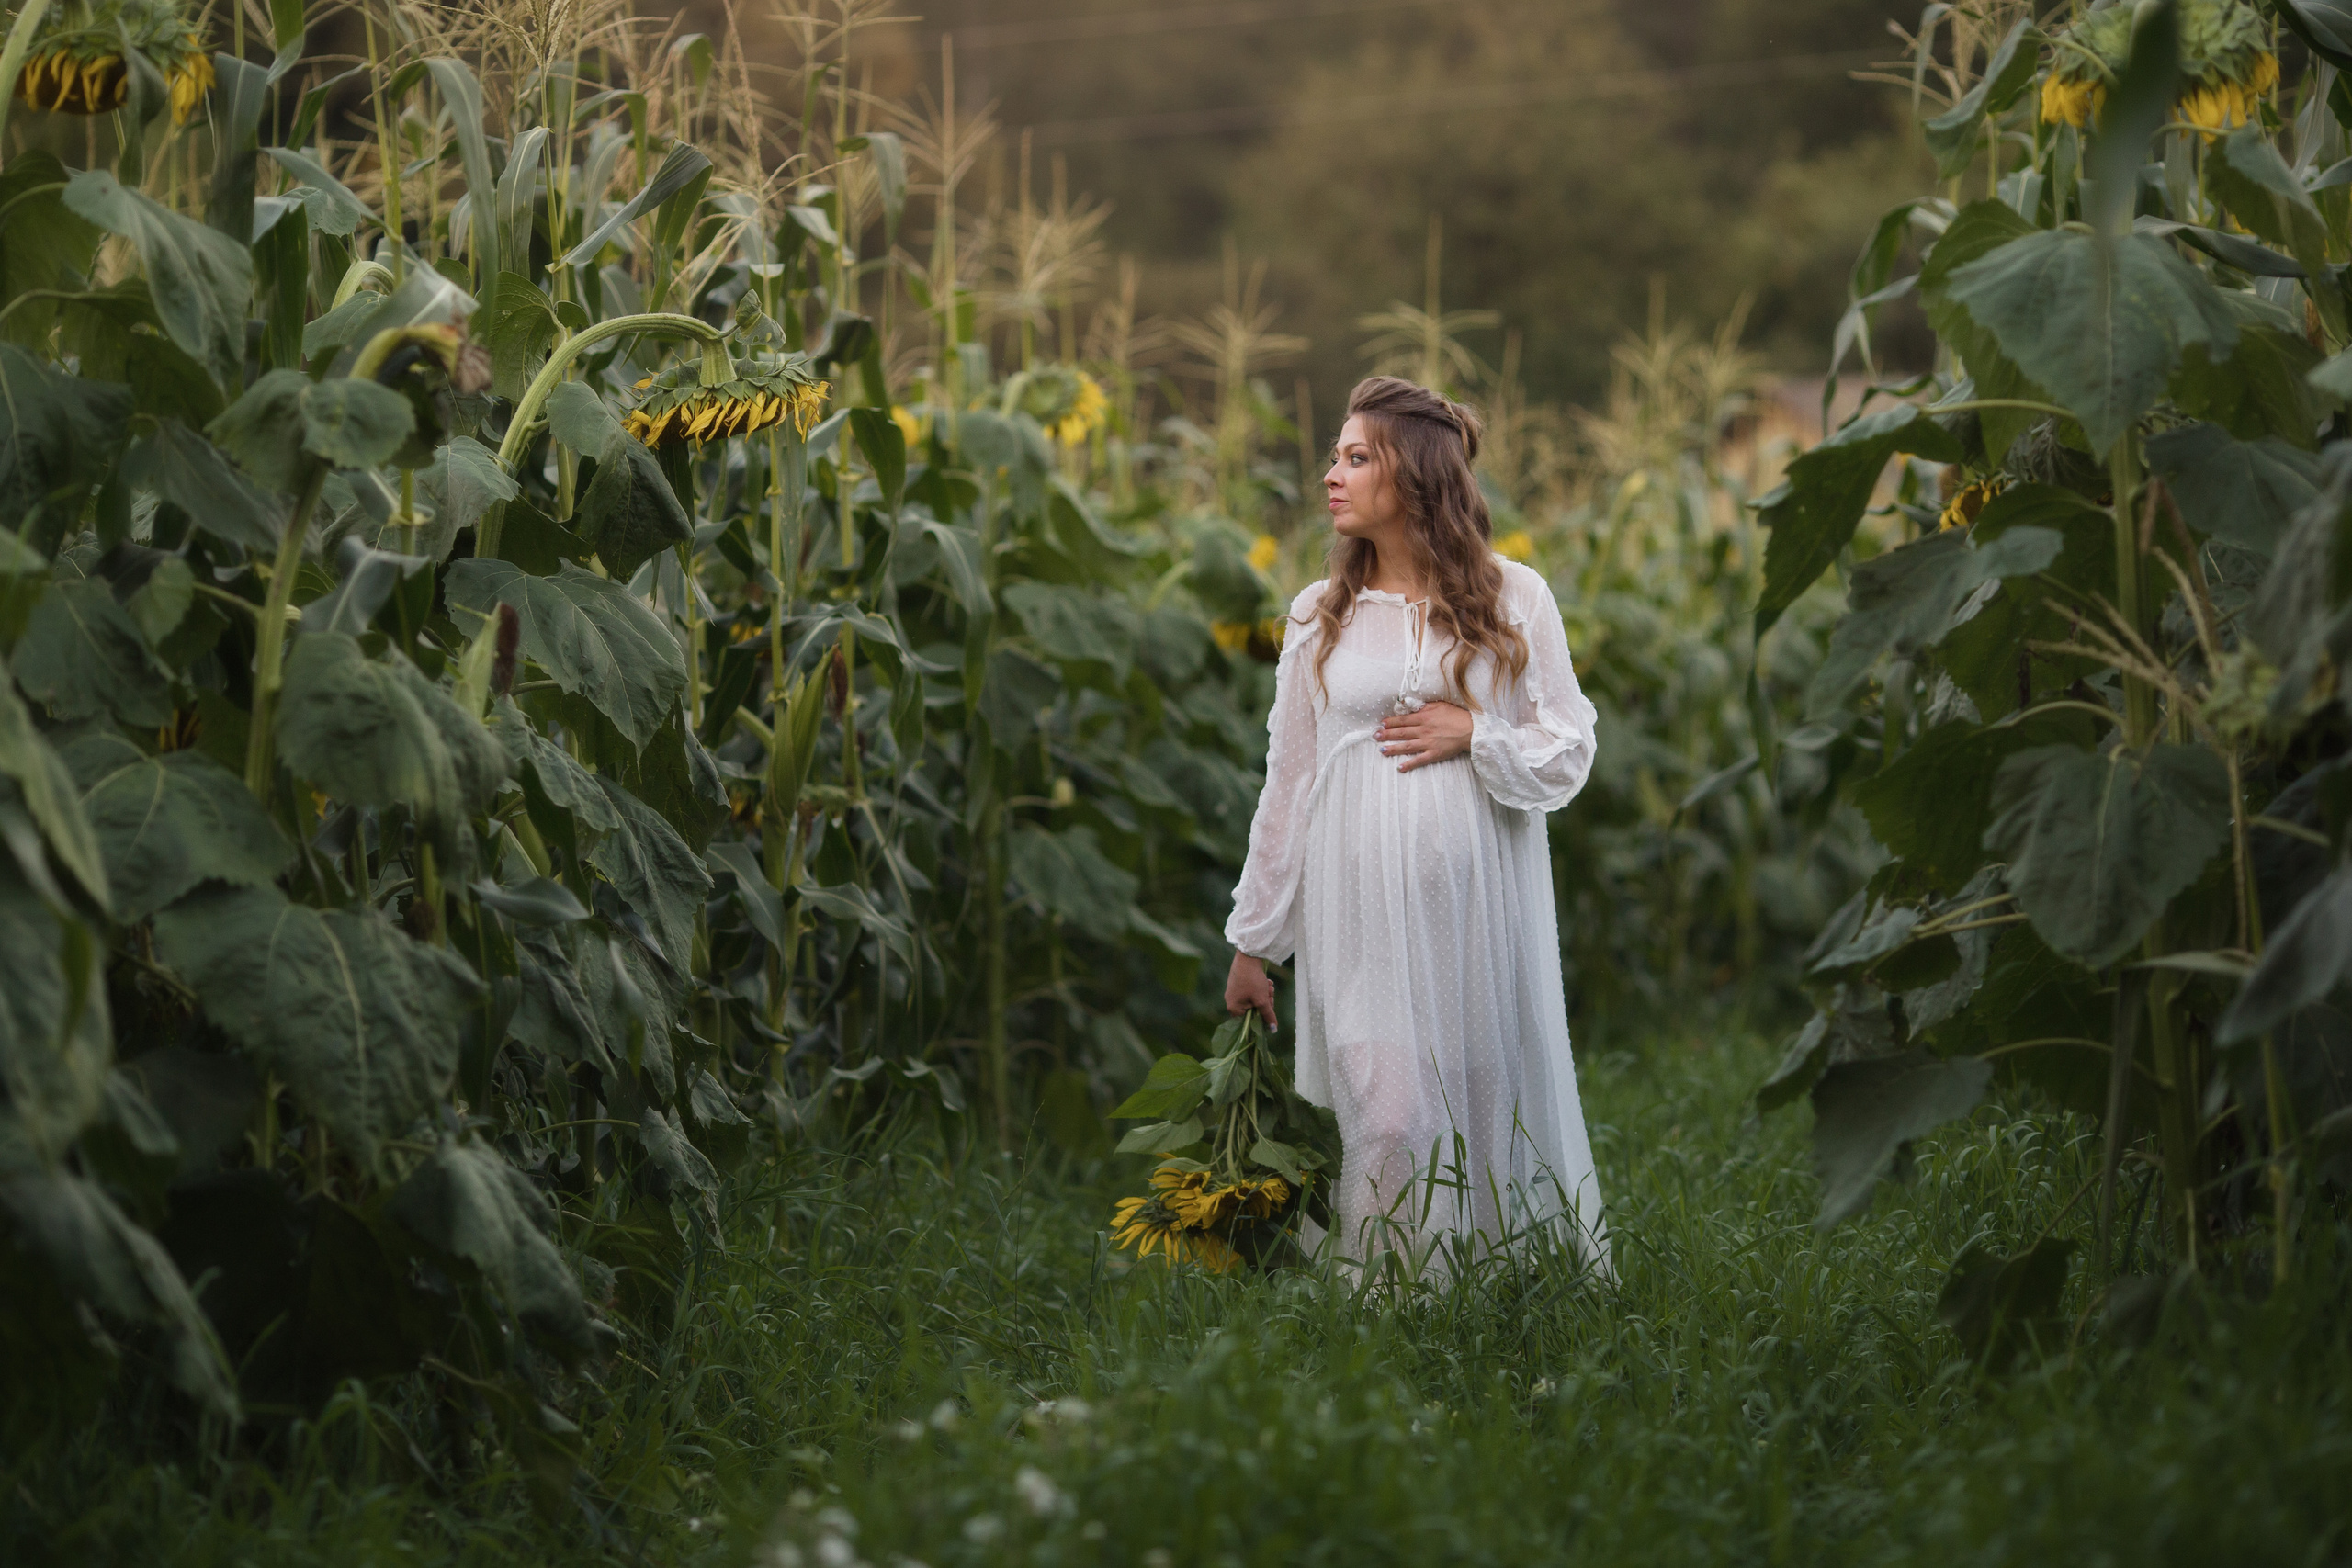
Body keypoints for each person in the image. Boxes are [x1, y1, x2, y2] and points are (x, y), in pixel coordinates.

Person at [1222, 375, 1611, 1281]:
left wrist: (1478, 731)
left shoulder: (1513, 599)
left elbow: (1567, 750)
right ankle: (1384, 1315)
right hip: (1353, 912)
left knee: (1475, 1119)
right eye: (1335, 456)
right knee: (1390, 1120)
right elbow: (1289, 782)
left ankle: (1482, 1305)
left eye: (1356, 458)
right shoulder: (1318, 616)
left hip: (1473, 911)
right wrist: (1255, 940)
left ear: (1417, 477)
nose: (1332, 475)